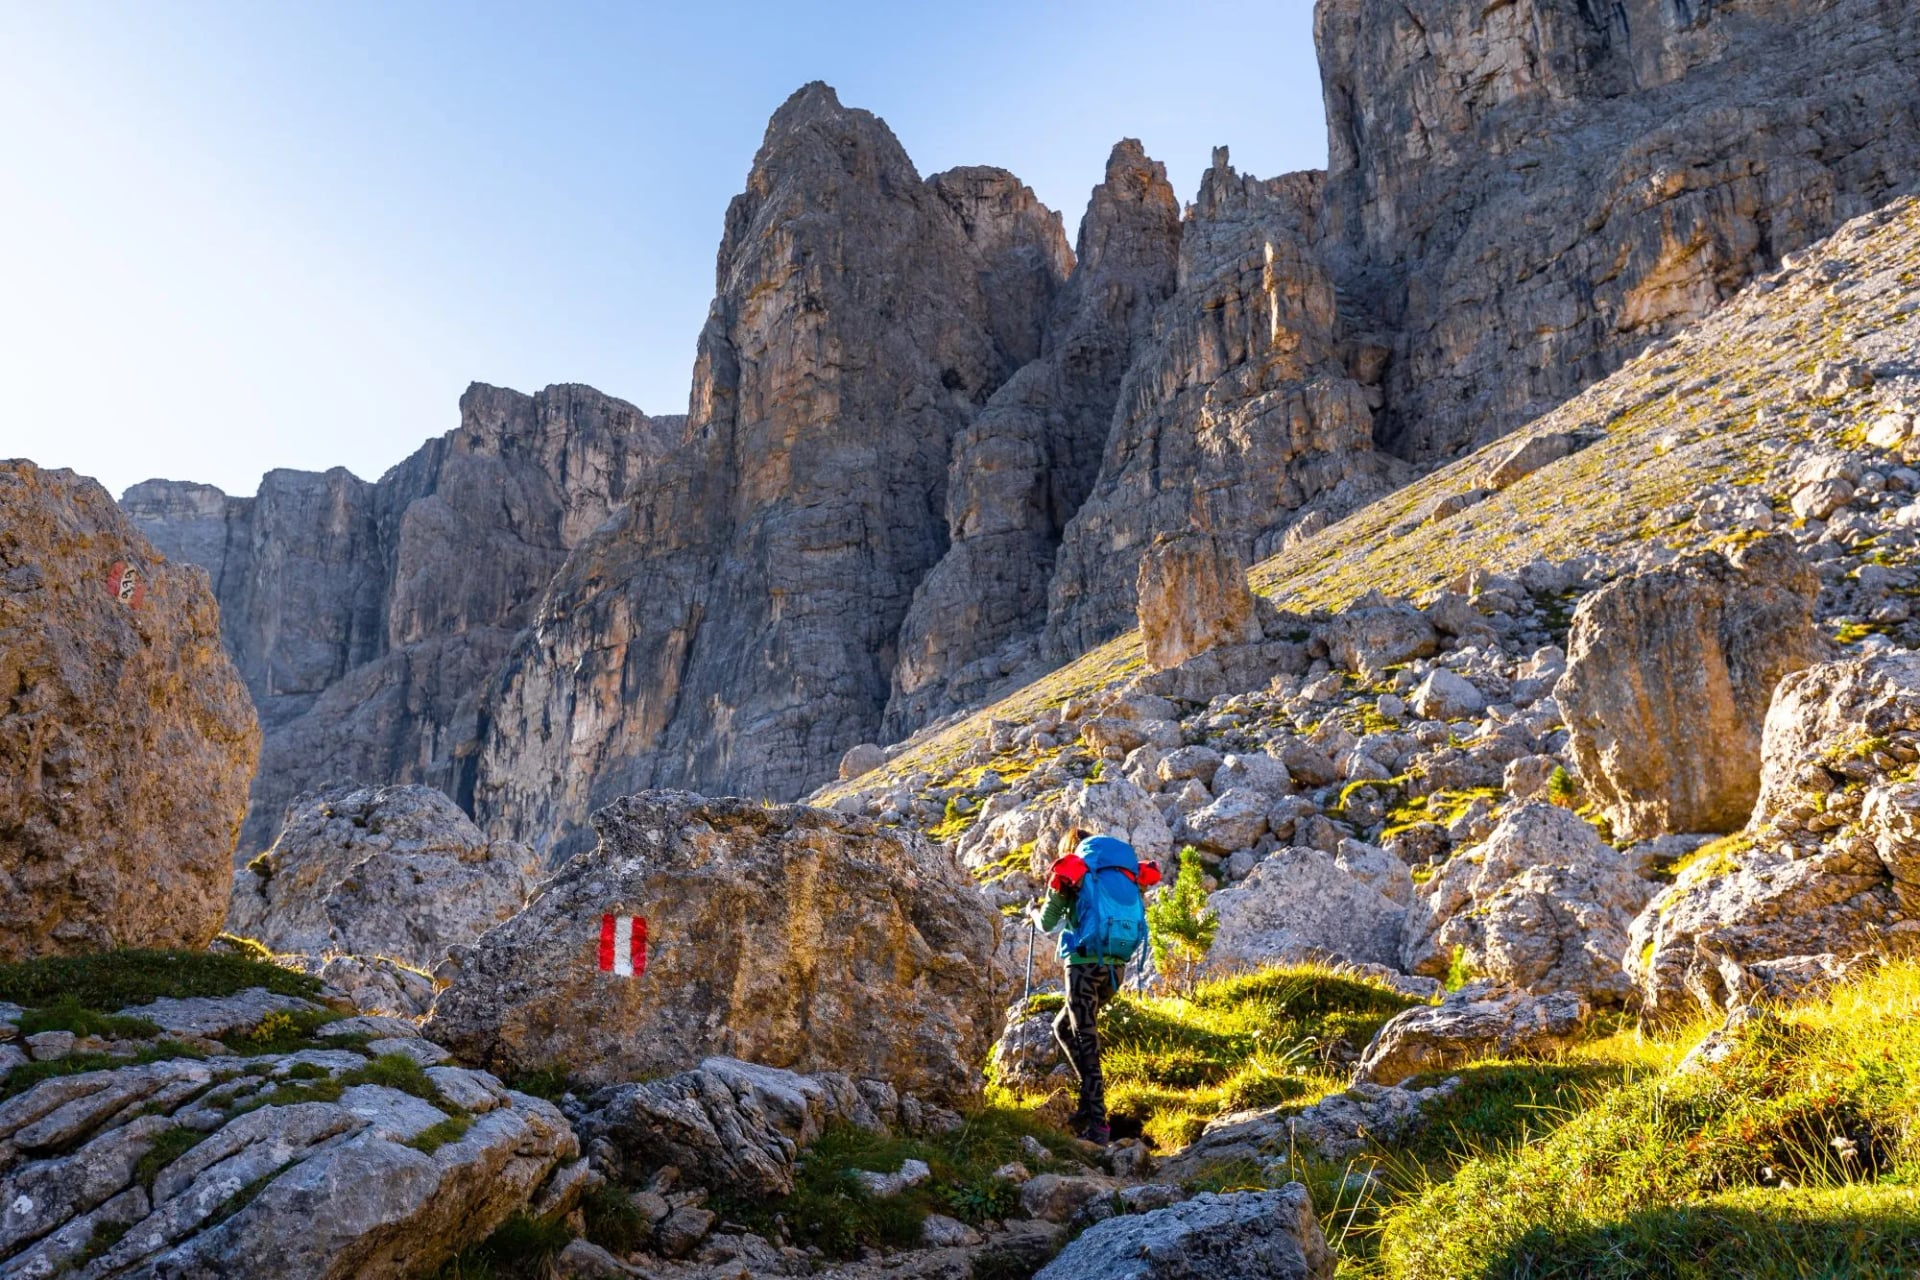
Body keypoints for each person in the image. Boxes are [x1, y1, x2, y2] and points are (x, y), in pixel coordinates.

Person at [1033, 826, 1160, 1145]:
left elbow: (1048, 923)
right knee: (1063, 1028)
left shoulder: (1072, 870)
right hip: (1115, 968)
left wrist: (1033, 912)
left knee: (1085, 1041)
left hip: (1083, 966)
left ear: (1070, 848)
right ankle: (1086, 1109)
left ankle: (1098, 1125)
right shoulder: (1118, 872)